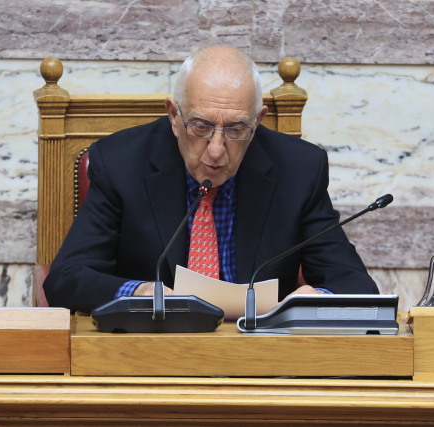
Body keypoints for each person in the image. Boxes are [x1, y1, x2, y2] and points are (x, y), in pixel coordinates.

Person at [43, 45, 378, 314]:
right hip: (152, 348)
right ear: (174, 115)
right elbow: (65, 279)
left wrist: (318, 299)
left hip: (260, 355)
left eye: (236, 129)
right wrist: (141, 292)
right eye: (201, 127)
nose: (216, 150)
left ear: (258, 121)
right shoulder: (121, 163)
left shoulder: (298, 169)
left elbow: (356, 284)